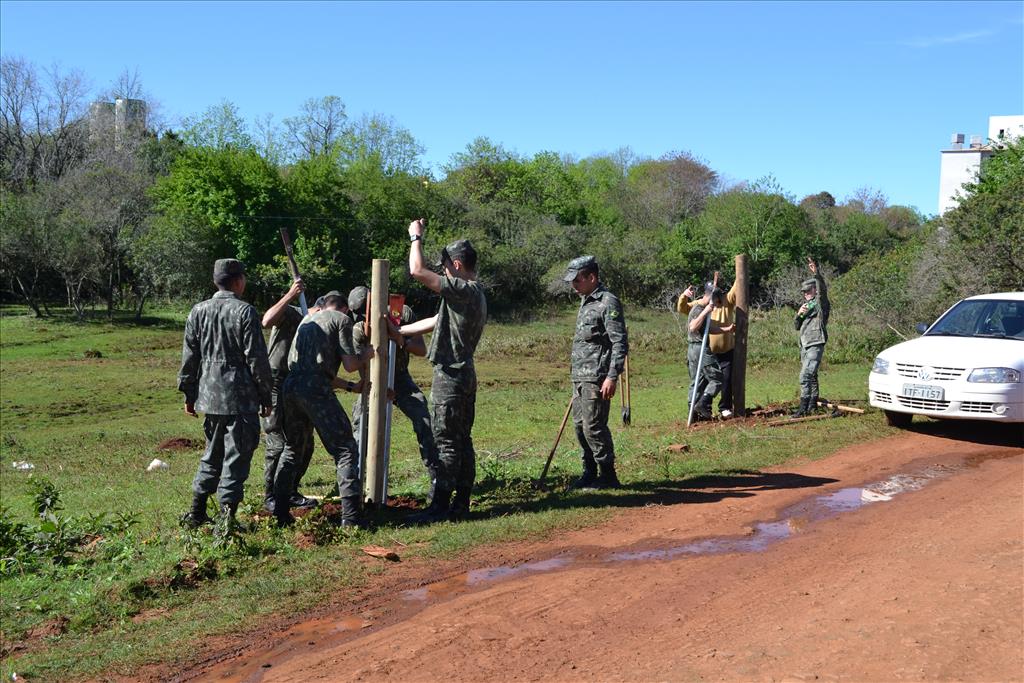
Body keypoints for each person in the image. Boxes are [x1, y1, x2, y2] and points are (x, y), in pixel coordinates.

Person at [400, 219, 487, 523]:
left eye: (447, 267)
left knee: (447, 442)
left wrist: (415, 238)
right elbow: (436, 321)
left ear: (458, 264)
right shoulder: (472, 294)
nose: (445, 272)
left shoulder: (464, 289)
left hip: (451, 376)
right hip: (464, 374)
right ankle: (460, 504)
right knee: (462, 440)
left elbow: (417, 272)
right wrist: (398, 330)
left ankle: (439, 507)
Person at [178, 258, 273, 534]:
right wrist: (266, 395)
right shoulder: (244, 312)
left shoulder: (198, 311)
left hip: (210, 397)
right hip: (239, 398)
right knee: (236, 457)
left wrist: (189, 393)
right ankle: (226, 521)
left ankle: (196, 512)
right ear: (238, 281)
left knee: (212, 453)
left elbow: (189, 356)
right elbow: (256, 358)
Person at [272, 291, 367, 527]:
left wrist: (349, 387)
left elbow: (315, 369)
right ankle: (351, 519)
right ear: (344, 309)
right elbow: (350, 364)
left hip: (291, 386)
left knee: (293, 449)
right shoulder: (341, 320)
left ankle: (280, 512)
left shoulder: (307, 319)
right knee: (345, 449)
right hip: (314, 389)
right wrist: (369, 352)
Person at [348, 286, 440, 487]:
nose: (363, 318)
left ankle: (436, 476)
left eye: (365, 312)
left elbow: (421, 349)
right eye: (359, 315)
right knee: (359, 424)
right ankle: (353, 482)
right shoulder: (357, 330)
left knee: (424, 417)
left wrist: (398, 337)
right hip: (373, 381)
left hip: (400, 379)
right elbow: (362, 372)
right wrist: (379, 389)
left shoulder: (403, 313)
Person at [564, 256, 629, 489]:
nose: (574, 285)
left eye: (577, 280)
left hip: (597, 377)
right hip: (580, 376)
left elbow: (619, 342)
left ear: (592, 277)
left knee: (594, 427)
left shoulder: (607, 302)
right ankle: (589, 472)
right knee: (580, 427)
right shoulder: (586, 301)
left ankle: (608, 476)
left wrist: (612, 376)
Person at [260, 280, 321, 514]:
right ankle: (270, 496)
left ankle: (289, 490)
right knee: (277, 442)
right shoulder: (292, 313)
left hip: (298, 383)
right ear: (319, 307)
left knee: (304, 442)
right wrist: (290, 295)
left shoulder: (317, 325)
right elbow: (266, 320)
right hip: (275, 382)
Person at [677, 278, 740, 418]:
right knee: (717, 378)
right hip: (699, 348)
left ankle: (693, 413)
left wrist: (726, 329)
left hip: (698, 348)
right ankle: (702, 404)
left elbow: (708, 328)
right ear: (712, 298)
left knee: (698, 381)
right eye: (717, 301)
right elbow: (692, 327)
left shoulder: (705, 307)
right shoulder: (698, 308)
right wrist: (706, 311)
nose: (718, 305)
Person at [793, 257, 830, 417]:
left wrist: (817, 274)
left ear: (815, 290)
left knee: (805, 375)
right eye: (804, 292)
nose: (806, 294)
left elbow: (823, 291)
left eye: (809, 290)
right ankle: (812, 405)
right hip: (804, 344)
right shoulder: (806, 306)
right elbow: (796, 326)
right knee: (812, 375)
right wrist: (799, 315)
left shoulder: (820, 304)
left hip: (816, 341)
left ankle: (803, 407)